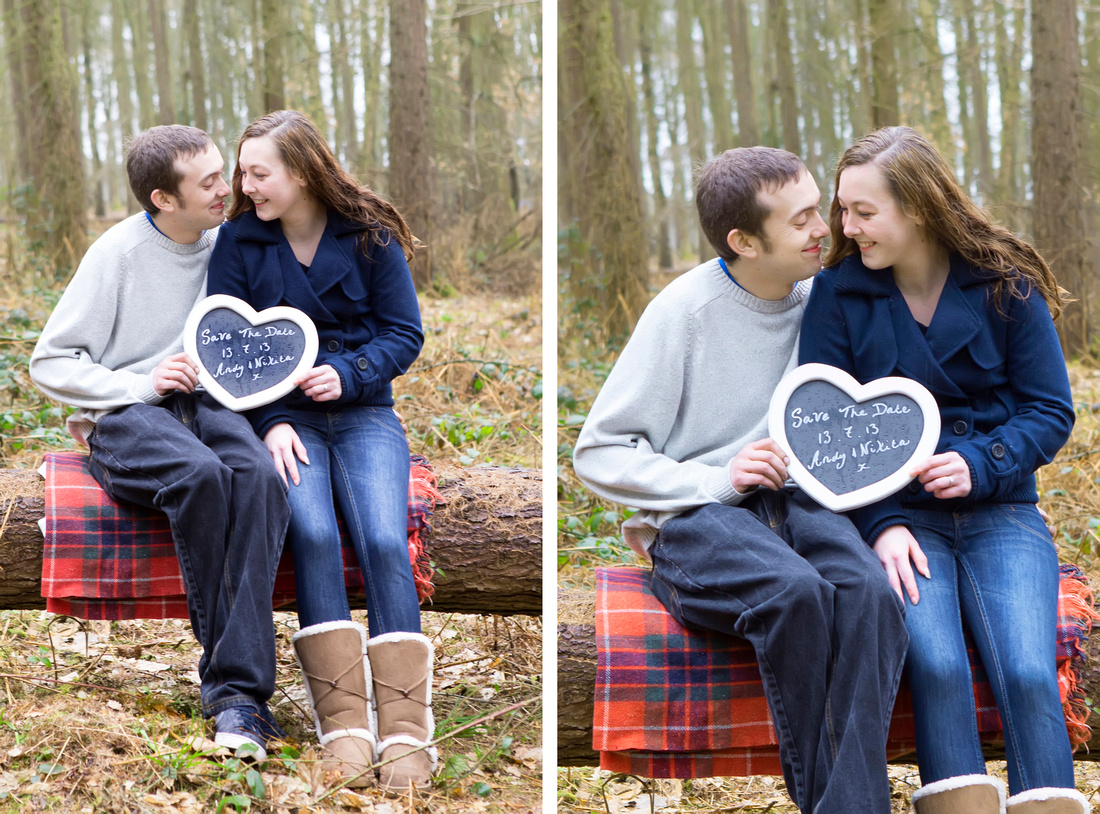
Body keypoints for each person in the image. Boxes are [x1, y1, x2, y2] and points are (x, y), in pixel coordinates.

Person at [573, 146, 908, 814]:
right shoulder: (684, 313)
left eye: (824, 209)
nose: (825, 228)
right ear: (744, 242)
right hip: (701, 519)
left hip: (801, 505)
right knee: (797, 594)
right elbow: (600, 450)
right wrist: (717, 475)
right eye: (804, 218)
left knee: (870, 595)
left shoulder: (828, 298)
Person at [799, 126, 1088, 814]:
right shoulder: (837, 296)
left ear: (919, 208)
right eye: (844, 209)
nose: (847, 226)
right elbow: (825, 435)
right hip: (902, 518)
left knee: (1025, 669)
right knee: (935, 664)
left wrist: (982, 461)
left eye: (864, 212)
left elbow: (1050, 409)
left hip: (1003, 513)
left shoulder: (1006, 285)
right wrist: (881, 525)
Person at [29, 125, 291, 760]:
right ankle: (235, 696)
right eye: (206, 183)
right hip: (127, 411)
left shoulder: (227, 243)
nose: (223, 190)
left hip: (206, 401)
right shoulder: (117, 252)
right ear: (162, 199)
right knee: (201, 477)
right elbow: (51, 360)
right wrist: (140, 382)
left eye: (218, 174)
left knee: (257, 477)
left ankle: (241, 693)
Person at [206, 110, 431, 794]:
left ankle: (405, 735)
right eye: (243, 172)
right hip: (286, 422)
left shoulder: (372, 234)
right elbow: (228, 350)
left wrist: (353, 372)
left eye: (257, 172)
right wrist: (270, 420)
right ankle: (345, 730)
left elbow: (404, 334)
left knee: (385, 542)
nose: (243, 185)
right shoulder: (238, 244)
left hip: (363, 414)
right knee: (310, 530)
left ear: (301, 173)